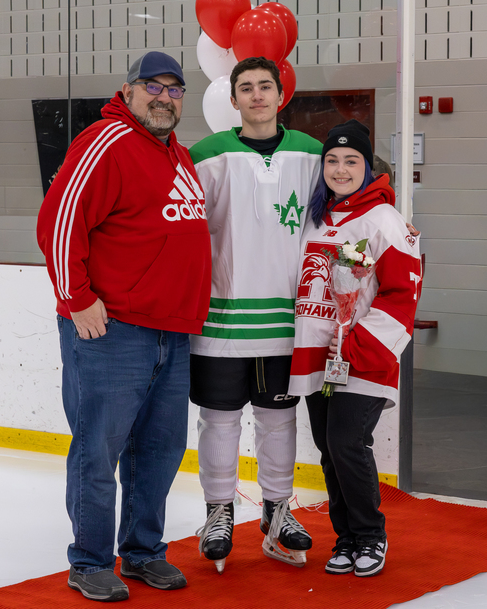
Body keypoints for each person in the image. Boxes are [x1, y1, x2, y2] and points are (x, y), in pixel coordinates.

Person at [36, 51, 211, 602]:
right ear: (128, 90)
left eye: (175, 90)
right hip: (111, 332)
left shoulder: (178, 154)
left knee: (159, 451)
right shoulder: (106, 141)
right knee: (98, 449)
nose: (164, 97)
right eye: (153, 87)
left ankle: (142, 552)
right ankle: (90, 561)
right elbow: (58, 222)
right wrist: (77, 299)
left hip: (171, 333)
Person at [188, 56, 323, 573]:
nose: (257, 95)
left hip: (286, 320)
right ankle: (218, 512)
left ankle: (277, 510)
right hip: (220, 319)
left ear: (281, 94)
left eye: (266, 86)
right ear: (233, 99)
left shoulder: (312, 153)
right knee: (219, 421)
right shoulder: (207, 155)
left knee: (278, 419)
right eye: (246, 88)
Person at [288, 119, 422, 578]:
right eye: (332, 160)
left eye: (351, 161)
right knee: (329, 448)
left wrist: (357, 343)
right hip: (319, 356)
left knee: (348, 443)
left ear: (368, 167)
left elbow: (403, 294)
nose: (340, 169)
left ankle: (370, 536)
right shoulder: (317, 217)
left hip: (362, 355)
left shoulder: (384, 219)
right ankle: (344, 538)